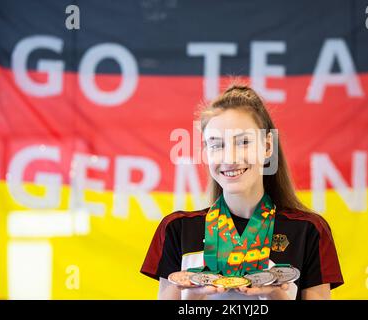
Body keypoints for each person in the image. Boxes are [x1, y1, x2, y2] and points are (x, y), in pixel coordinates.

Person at [141, 84, 344, 300]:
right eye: (216, 145)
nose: (229, 158)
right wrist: (193, 297)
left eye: (243, 142)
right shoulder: (177, 230)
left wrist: (277, 295)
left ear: (267, 147)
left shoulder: (309, 231)